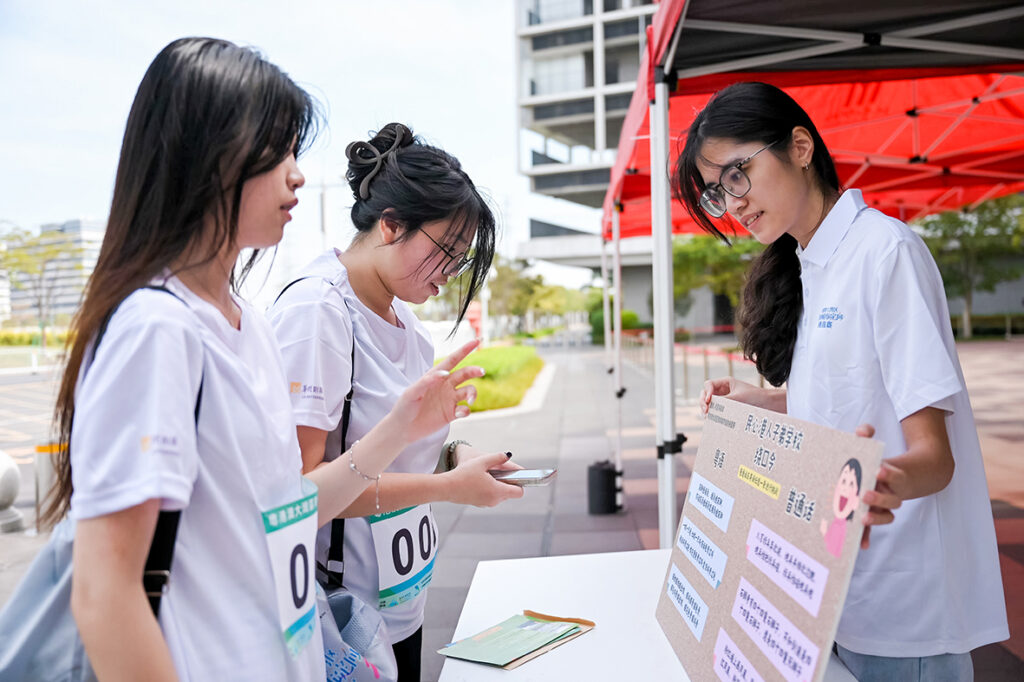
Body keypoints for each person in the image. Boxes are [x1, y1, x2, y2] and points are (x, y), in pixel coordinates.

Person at [38, 38, 483, 681]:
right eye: (277, 153)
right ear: (206, 157)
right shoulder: (157, 329)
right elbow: (108, 594)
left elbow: (293, 504)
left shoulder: (243, 322)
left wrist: (402, 429)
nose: (298, 175)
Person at [679, 82, 1008, 680]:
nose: (731, 202)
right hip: (828, 589)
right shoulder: (809, 264)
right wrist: (769, 402)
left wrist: (879, 481)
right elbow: (855, 393)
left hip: (904, 609)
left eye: (737, 174)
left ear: (800, 147)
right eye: (716, 191)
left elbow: (935, 457)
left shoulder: (885, 252)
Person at [268, 122, 523, 680]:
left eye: (460, 261)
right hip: (338, 613)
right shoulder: (318, 314)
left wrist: (462, 456)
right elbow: (298, 492)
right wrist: (449, 489)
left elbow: (397, 447)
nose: (452, 274)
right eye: (447, 253)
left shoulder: (408, 324)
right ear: (391, 225)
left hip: (399, 604)